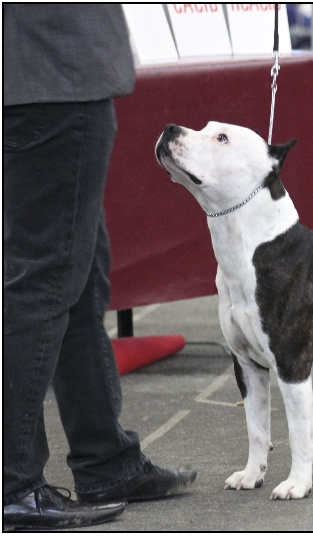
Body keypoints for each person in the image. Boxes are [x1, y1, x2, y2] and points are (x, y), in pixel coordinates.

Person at [3, 5, 196, 530]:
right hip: (52, 78)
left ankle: (106, 461)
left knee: (78, 276)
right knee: (44, 282)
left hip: (39, 78)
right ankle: (12, 485)